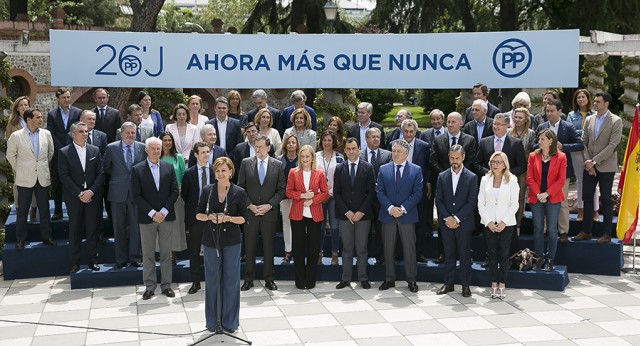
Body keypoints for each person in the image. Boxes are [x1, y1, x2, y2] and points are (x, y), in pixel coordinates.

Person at [196, 157, 247, 333]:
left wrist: (229, 219)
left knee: (230, 281)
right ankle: (212, 322)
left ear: (231, 172)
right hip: (211, 241)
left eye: (224, 170)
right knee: (212, 281)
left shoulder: (239, 192)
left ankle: (230, 322)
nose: (220, 174)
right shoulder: (207, 190)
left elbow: (243, 218)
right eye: (217, 171)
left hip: (232, 241)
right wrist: (209, 217)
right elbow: (198, 215)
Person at [132, 137, 179, 300]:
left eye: (159, 148)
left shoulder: (168, 167)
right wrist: (153, 213)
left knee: (166, 253)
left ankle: (166, 285)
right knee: (148, 254)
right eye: (153, 148)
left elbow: (174, 191)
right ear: (146, 150)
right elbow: (136, 196)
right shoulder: (137, 169)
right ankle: (150, 286)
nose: (156, 151)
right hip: (147, 218)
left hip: (166, 216)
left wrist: (164, 211)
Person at [572, 92, 623, 244]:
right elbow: (584, 142)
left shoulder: (616, 121)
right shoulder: (589, 119)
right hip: (589, 165)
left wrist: (593, 161)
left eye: (598, 101)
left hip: (606, 166)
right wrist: (588, 161)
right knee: (587, 197)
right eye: (594, 101)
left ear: (606, 103)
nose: (594, 104)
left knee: (606, 199)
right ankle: (586, 231)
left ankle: (607, 233)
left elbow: (613, 145)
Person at [475, 113, 527, 255]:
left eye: (499, 124)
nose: (496, 127)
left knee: (507, 228)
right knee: (490, 227)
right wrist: (491, 173)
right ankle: (489, 257)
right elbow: (477, 163)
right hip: (489, 190)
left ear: (507, 126)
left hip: (507, 189)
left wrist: (504, 174)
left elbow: (522, 166)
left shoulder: (515, 143)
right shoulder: (484, 142)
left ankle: (510, 257)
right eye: (494, 124)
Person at [238, 135, 285, 291]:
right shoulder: (246, 163)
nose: (258, 149)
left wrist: (269, 205)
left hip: (269, 213)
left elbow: (281, 190)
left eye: (261, 147)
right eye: (255, 147)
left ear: (268, 147)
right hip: (250, 213)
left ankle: (269, 279)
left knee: (268, 247)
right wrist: (250, 205)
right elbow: (241, 188)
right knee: (249, 247)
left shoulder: (278, 165)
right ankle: (248, 279)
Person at [429, 111, 477, 263]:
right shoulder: (438, 139)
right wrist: (447, 174)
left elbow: (471, 161)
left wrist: (458, 172)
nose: (450, 125)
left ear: (461, 123)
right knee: (445, 221)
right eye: (448, 122)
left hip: (463, 185)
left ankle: (465, 254)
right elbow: (433, 160)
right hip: (444, 185)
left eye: (453, 122)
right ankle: (443, 253)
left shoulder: (469, 140)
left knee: (463, 222)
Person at [376, 139, 423, 293]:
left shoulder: (416, 170)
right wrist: (390, 208)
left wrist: (402, 209)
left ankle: (411, 280)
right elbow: (379, 191)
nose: (395, 154)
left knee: (409, 249)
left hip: (407, 216)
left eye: (398, 151)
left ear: (406, 154)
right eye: (393, 151)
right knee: (388, 248)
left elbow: (417, 193)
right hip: (388, 215)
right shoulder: (383, 169)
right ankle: (389, 279)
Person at [534, 99, 583, 242]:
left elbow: (579, 145)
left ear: (560, 111)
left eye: (552, 111)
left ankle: (563, 232)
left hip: (562, 171)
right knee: (543, 199)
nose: (549, 114)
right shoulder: (541, 127)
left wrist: (564, 147)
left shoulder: (568, 127)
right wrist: (541, 148)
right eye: (547, 111)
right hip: (542, 171)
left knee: (561, 202)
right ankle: (543, 230)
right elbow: (533, 145)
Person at [58, 121, 104, 273]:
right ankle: (75, 262)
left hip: (92, 196)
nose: (85, 134)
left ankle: (93, 260)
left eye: (86, 131)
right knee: (75, 229)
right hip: (74, 197)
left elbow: (100, 173)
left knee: (92, 229)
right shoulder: (64, 152)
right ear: (73, 134)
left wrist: (91, 192)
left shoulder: (95, 150)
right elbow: (64, 176)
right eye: (81, 131)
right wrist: (79, 193)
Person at [6, 108, 55, 249]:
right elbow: (10, 156)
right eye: (38, 117)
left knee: (44, 209)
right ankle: (20, 239)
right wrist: (21, 169)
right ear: (29, 120)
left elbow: (50, 153)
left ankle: (47, 237)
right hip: (24, 178)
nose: (41, 119)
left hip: (42, 177)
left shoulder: (46, 134)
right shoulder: (16, 136)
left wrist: (42, 167)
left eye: (41, 117)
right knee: (22, 210)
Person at [435, 144, 478, 298]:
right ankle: (448, 284)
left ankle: (466, 286)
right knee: (449, 254)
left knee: (465, 255)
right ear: (448, 157)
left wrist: (457, 218)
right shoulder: (442, 176)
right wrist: (448, 218)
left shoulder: (472, 177)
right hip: (446, 223)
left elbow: (472, 202)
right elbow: (438, 200)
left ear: (463, 157)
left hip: (464, 224)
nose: (454, 161)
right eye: (452, 158)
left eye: (457, 158)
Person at [103, 121, 147, 268]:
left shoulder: (142, 147)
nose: (130, 135)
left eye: (133, 133)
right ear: (121, 134)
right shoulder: (111, 148)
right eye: (127, 133)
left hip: (136, 193)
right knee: (118, 226)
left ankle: (135, 257)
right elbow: (107, 168)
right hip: (117, 192)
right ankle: (120, 259)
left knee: (136, 226)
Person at [286, 145, 329, 289]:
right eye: (302, 156)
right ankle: (299, 281)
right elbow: (288, 192)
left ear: (312, 158)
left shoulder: (320, 173)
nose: (305, 159)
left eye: (307, 156)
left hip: (314, 214)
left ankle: (310, 281)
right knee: (298, 248)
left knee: (313, 248)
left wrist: (312, 200)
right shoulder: (293, 172)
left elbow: (325, 193)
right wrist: (302, 196)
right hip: (297, 214)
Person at [334, 138, 375, 289]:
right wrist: (348, 212)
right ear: (344, 150)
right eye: (348, 149)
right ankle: (345, 278)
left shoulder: (368, 167)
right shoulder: (339, 168)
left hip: (363, 216)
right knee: (347, 247)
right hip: (345, 216)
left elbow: (370, 193)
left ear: (359, 149)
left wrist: (360, 212)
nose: (351, 151)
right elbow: (337, 193)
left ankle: (363, 278)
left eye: (354, 148)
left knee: (362, 248)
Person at [478, 151, 519, 299]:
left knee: (503, 255)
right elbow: (480, 202)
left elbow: (515, 204)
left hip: (506, 224)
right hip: (489, 223)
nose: (495, 165)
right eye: (493, 162)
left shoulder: (512, 180)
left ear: (505, 164)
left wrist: (503, 222)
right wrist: (488, 221)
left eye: (498, 162)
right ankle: (493, 283)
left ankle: (502, 284)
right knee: (492, 255)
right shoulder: (485, 179)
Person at [527, 129, 567, 271]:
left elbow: (561, 180)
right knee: (538, 229)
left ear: (551, 141)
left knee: (551, 229)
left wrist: (547, 194)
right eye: (539, 139)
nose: (539, 141)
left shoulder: (561, 157)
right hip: (536, 197)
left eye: (543, 139)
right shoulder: (533, 156)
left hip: (553, 197)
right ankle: (539, 259)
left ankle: (550, 259)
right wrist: (538, 194)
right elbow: (529, 178)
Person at [395, 119, 432, 263]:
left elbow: (427, 167)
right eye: (406, 131)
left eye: (411, 131)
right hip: (399, 189)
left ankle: (418, 253)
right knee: (399, 222)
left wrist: (428, 182)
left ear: (415, 132)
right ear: (402, 131)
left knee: (420, 223)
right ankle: (399, 253)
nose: (409, 134)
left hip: (418, 190)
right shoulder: (395, 146)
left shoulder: (424, 146)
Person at [181, 142, 214, 294]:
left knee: (214, 250)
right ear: (195, 155)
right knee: (194, 251)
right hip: (195, 219)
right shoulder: (188, 174)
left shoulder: (216, 171)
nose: (206, 155)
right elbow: (185, 196)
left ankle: (214, 280)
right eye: (203, 152)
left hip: (214, 218)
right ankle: (195, 282)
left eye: (208, 152)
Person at [47, 87, 82, 220]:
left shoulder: (77, 112)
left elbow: (79, 131)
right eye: (64, 98)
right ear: (58, 99)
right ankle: (57, 211)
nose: (67, 100)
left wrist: (70, 148)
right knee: (57, 183)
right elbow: (52, 133)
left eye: (68, 97)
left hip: (75, 152)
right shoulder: (52, 114)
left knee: (76, 181)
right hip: (58, 153)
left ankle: (76, 210)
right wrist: (62, 149)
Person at [359, 128, 392, 265]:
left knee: (380, 230)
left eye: (378, 137)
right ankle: (362, 258)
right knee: (363, 231)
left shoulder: (388, 155)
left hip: (381, 200)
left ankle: (380, 256)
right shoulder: (358, 155)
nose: (376, 139)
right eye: (373, 137)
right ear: (366, 139)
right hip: (363, 199)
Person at [566, 89, 598, 222]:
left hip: (591, 150)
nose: (580, 99)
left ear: (588, 99)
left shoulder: (595, 114)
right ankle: (580, 210)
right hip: (577, 150)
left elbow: (596, 131)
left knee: (593, 180)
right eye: (578, 97)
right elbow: (570, 131)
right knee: (580, 181)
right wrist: (585, 131)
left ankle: (595, 212)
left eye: (583, 97)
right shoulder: (571, 115)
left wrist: (581, 132)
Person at [6, 96, 38, 222]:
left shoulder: (35, 120)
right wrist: (15, 163)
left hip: (34, 160)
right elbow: (9, 144)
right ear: (17, 109)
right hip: (19, 161)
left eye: (26, 105)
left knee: (35, 184)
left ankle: (33, 210)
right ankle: (20, 209)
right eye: (21, 105)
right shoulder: (12, 123)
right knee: (18, 186)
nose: (24, 107)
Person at [316, 131, 344, 265]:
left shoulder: (339, 157)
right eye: (324, 140)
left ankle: (335, 253)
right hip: (318, 196)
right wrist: (321, 193)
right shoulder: (315, 156)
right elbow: (312, 176)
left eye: (329, 140)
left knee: (334, 226)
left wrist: (330, 192)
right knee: (320, 227)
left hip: (334, 196)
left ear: (334, 142)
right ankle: (319, 253)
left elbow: (341, 178)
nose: (327, 143)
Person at [159, 131, 187, 264]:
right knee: (163, 226)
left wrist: (179, 190)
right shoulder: (157, 158)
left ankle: (173, 253)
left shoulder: (178, 157)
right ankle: (164, 252)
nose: (167, 143)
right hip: (161, 198)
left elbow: (183, 175)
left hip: (177, 197)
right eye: (165, 140)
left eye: (170, 140)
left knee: (176, 226)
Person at [507, 107, 536, 228]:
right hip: (510, 168)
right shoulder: (508, 132)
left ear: (526, 120)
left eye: (520, 117)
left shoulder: (531, 134)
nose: (517, 120)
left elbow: (531, 152)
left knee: (520, 197)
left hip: (524, 170)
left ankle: (517, 225)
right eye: (516, 117)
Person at [278, 134, 300, 263]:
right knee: (286, 223)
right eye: (289, 142)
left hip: (299, 197)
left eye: (293, 142)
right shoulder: (280, 159)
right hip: (284, 196)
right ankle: (288, 250)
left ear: (297, 145)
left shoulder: (301, 159)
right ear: (285, 145)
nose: (291, 144)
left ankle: (298, 249)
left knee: (298, 223)